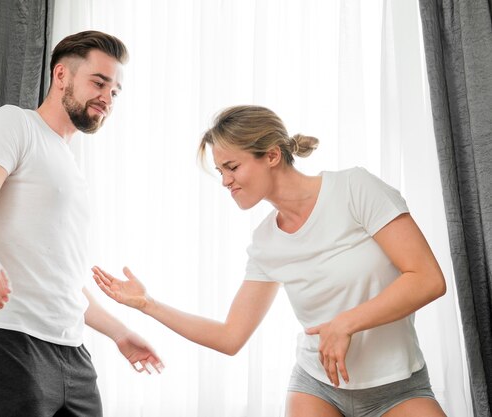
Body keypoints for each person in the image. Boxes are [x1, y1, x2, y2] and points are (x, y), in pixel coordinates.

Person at [93, 105, 448, 417]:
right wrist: (147, 304)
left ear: (273, 156)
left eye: (231, 167)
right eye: (220, 171)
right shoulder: (266, 242)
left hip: (398, 386)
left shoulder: (355, 189)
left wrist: (345, 324)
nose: (225, 181)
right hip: (318, 389)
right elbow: (230, 337)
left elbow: (427, 278)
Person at [0, 30, 163, 417]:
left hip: (72, 352)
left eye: (115, 91)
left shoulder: (71, 166)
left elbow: (61, 278)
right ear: (61, 75)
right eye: (99, 82)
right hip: (8, 337)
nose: (107, 97)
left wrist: (119, 333)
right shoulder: (13, 125)